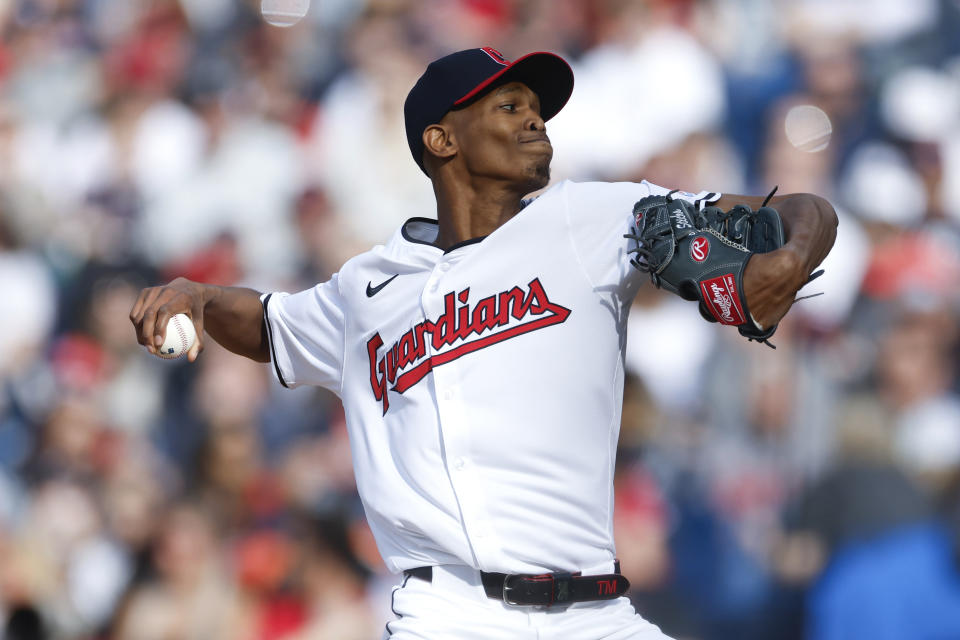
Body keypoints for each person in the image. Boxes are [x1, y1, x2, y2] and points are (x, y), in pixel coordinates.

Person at [130, 47, 837, 639]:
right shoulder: (365, 287)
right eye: (509, 105)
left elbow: (799, 212)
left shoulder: (592, 216)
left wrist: (790, 255)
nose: (536, 117)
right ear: (442, 139)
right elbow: (267, 325)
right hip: (449, 612)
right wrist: (196, 295)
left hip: (596, 611)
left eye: (538, 107)